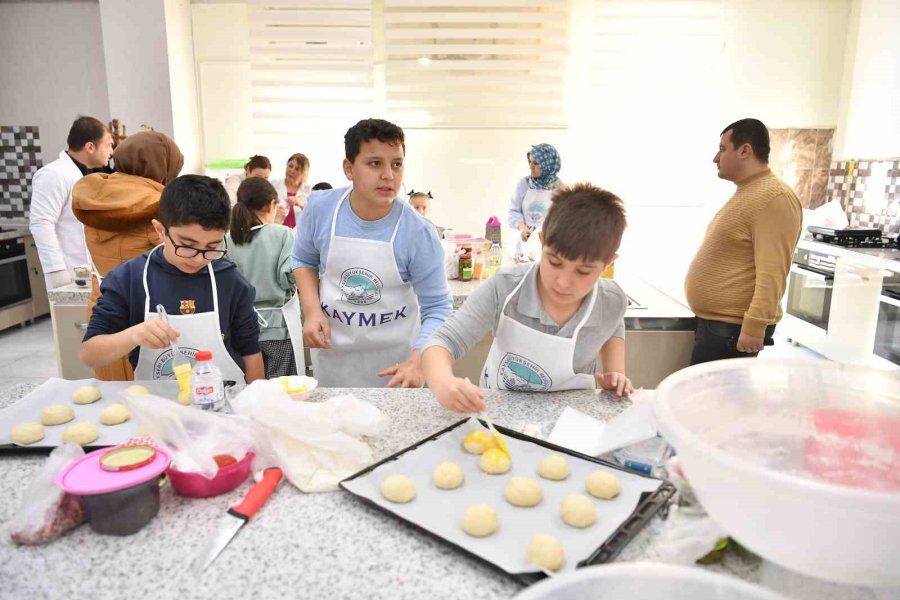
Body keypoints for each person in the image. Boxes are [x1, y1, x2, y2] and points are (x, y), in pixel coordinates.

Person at [423, 183, 631, 413]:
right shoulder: (506, 286)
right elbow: (442, 342)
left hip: (570, 422)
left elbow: (613, 324)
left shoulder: (611, 300)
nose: (563, 281)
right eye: (554, 262)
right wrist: (444, 384)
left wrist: (616, 374)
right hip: (499, 415)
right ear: (542, 241)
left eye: (583, 272)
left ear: (609, 262)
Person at [292, 118, 452, 388]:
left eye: (397, 164)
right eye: (375, 163)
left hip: (396, 369)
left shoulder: (418, 232)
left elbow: (438, 307)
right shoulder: (320, 210)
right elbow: (303, 259)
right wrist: (312, 310)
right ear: (349, 168)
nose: (389, 175)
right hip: (334, 361)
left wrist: (421, 357)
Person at [79, 175, 263, 383]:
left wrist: (254, 403)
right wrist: (134, 335)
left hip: (225, 405)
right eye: (187, 245)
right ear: (160, 230)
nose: (198, 258)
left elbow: (250, 352)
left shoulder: (231, 281)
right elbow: (89, 354)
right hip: (158, 406)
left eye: (211, 247)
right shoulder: (129, 278)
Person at [685, 118, 802, 365]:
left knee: (714, 402)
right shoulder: (749, 191)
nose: (716, 158)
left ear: (745, 150)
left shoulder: (775, 198)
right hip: (720, 326)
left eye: (723, 149)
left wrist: (755, 326)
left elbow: (773, 272)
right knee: (706, 401)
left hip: (732, 330)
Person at [71, 131, 184, 381]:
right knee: (153, 394)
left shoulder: (95, 197)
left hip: (102, 304)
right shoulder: (162, 206)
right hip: (148, 313)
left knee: (114, 392)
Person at [226, 177, 302, 379]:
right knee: (282, 392)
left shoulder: (227, 239)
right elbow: (290, 278)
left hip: (240, 331)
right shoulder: (283, 234)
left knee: (252, 392)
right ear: (271, 205)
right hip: (279, 330)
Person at [29, 116, 114, 290]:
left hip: (89, 272)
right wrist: (57, 272)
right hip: (67, 274)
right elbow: (41, 223)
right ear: (90, 147)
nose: (111, 151)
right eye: (108, 145)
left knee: (92, 316)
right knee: (72, 317)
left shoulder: (85, 174)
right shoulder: (53, 174)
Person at [507, 143, 562, 263]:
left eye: (536, 163)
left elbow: (562, 221)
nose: (531, 167)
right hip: (523, 244)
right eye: (530, 162)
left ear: (547, 165)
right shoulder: (524, 184)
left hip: (546, 245)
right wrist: (522, 227)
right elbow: (513, 211)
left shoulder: (559, 188)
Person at [271, 153, 312, 228]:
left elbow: (313, 214)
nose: (292, 171)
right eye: (290, 166)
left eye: (297, 169)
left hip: (298, 234)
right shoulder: (273, 185)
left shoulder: (309, 190)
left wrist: (299, 204)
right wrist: (275, 208)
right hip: (276, 230)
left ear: (303, 172)